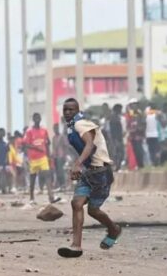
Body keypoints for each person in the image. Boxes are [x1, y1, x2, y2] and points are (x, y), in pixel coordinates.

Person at [57, 98, 122, 258]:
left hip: (101, 173)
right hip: (89, 172)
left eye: (71, 110)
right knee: (76, 203)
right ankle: (76, 246)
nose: (67, 113)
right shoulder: (71, 127)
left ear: (77, 111)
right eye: (65, 110)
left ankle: (113, 229)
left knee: (93, 210)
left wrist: (77, 164)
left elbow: (90, 145)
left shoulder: (81, 124)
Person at [23, 113, 59, 204]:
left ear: (40, 119)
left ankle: (51, 197)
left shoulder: (44, 130)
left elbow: (47, 143)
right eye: (35, 118)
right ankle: (31, 197)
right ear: (33, 119)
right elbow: (26, 144)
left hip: (43, 157)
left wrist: (49, 155)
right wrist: (36, 148)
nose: (37, 119)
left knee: (47, 175)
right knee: (33, 178)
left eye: (39, 117)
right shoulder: (29, 131)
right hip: (33, 158)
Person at [125, 99, 145, 168]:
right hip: (132, 135)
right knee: (135, 151)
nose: (134, 106)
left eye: (135, 104)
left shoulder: (140, 113)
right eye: (133, 104)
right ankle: (138, 164)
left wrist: (141, 129)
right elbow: (128, 124)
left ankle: (141, 164)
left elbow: (143, 123)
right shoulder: (130, 114)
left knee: (139, 150)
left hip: (139, 135)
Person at [51, 123, 69, 191]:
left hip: (61, 156)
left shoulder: (62, 137)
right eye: (54, 128)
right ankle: (60, 186)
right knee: (57, 172)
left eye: (56, 128)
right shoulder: (53, 138)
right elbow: (53, 147)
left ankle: (63, 185)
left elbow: (66, 146)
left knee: (61, 171)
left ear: (58, 128)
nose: (55, 129)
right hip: (55, 157)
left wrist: (65, 155)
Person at [108, 104, 126, 171]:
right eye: (120, 109)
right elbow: (114, 131)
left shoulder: (116, 117)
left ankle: (117, 167)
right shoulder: (114, 118)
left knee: (120, 153)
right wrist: (116, 140)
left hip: (119, 138)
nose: (121, 111)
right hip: (116, 139)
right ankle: (116, 167)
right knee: (117, 153)